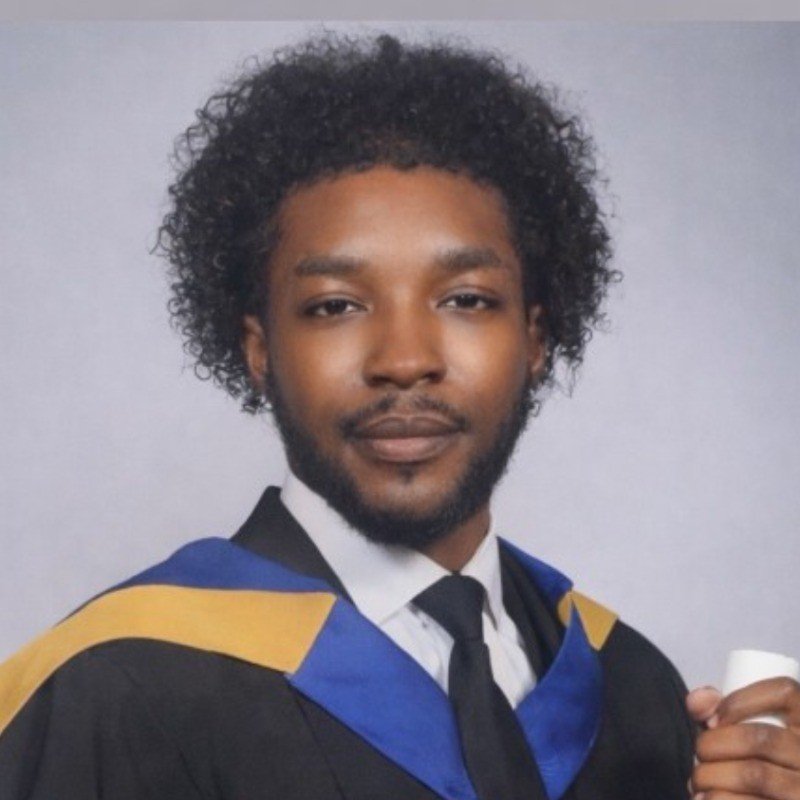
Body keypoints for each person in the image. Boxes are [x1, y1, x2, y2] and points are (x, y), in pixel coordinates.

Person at [1, 32, 798, 800]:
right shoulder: (116, 690)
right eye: (335, 305)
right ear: (258, 349)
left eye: (466, 299)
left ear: (535, 339)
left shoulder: (632, 692)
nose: (404, 356)